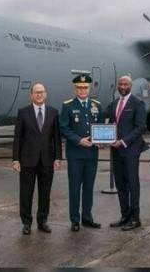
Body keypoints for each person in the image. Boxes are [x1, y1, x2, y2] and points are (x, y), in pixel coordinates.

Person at [12, 83, 62, 235]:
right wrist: (15, 159)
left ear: (45, 94)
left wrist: (58, 157)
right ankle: (26, 222)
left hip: (47, 160)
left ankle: (43, 221)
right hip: (27, 160)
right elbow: (17, 138)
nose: (39, 95)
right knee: (26, 193)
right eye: (36, 92)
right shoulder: (23, 112)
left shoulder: (53, 112)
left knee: (45, 192)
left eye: (42, 92)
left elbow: (56, 138)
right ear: (31, 95)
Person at [59, 74, 104, 231]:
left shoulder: (96, 105)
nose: (82, 90)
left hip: (92, 154)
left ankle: (87, 217)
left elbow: (100, 126)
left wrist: (101, 141)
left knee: (89, 187)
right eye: (79, 87)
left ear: (89, 88)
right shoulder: (68, 106)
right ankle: (75, 219)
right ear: (75, 88)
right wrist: (78, 140)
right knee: (75, 187)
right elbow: (64, 127)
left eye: (85, 87)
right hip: (75, 153)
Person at [107, 76, 147, 231]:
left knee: (132, 184)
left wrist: (123, 141)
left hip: (130, 150)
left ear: (131, 86)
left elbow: (140, 127)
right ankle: (125, 215)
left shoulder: (138, 103)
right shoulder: (115, 103)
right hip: (115, 150)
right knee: (120, 184)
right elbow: (110, 124)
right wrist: (104, 138)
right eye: (121, 84)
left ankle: (135, 218)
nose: (123, 86)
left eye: (126, 84)